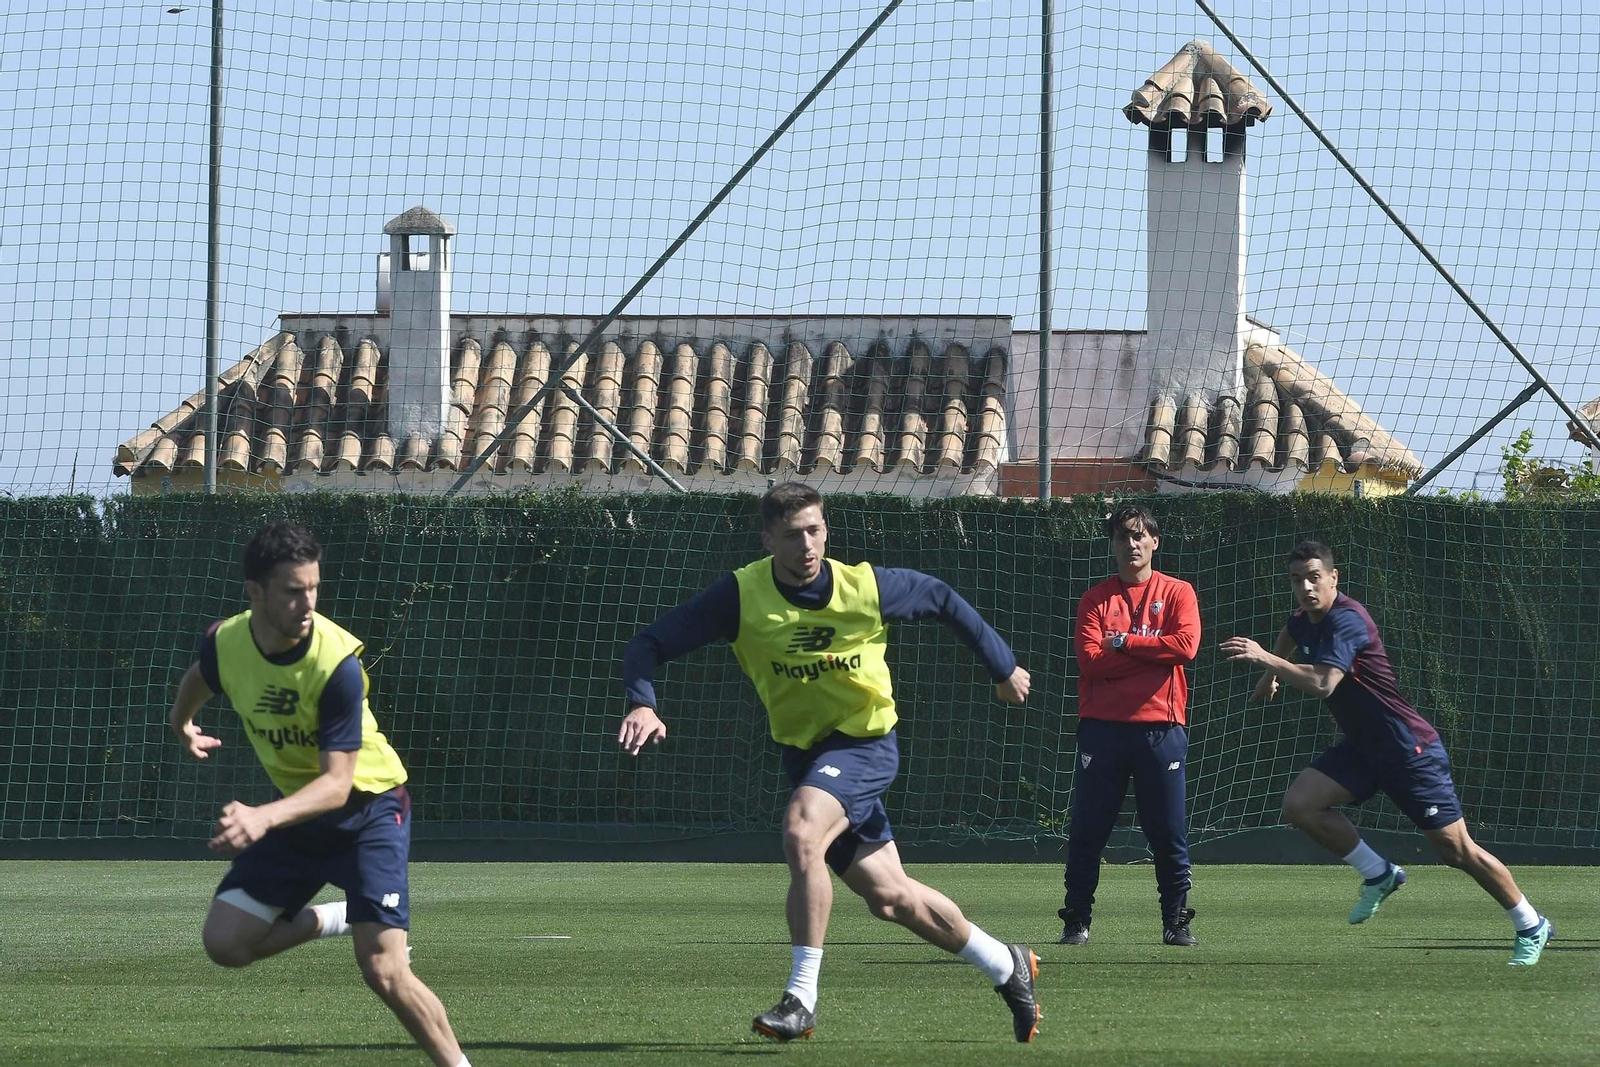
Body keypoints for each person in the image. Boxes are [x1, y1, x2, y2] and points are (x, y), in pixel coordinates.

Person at [618, 482, 1042, 1043]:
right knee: (892, 899)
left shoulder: (863, 586)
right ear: (768, 539)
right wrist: (642, 703)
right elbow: (649, 642)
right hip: (806, 757)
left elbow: (940, 596)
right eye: (792, 535)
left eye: (815, 530)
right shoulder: (741, 597)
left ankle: (802, 997)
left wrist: (1002, 666)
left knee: (800, 829)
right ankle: (1004, 963)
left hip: (865, 745)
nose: (807, 544)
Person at [168, 520, 471, 1065]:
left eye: (313, 588)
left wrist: (262, 818)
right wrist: (181, 722)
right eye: (292, 591)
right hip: (299, 814)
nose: (307, 603)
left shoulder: (336, 665)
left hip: (369, 809)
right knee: (226, 945)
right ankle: (335, 916)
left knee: (383, 971)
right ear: (255, 592)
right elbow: (202, 673)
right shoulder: (227, 641)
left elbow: (336, 785)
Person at [1220, 539, 1553, 966]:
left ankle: (1531, 923)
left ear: (1334, 577)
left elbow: (1323, 683)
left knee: (1456, 851)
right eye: (1296, 579)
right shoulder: (1306, 617)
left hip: (1408, 749)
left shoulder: (1348, 621)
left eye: (1314, 577)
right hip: (1363, 749)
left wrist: (1265, 658)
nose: (1305, 587)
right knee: (1301, 805)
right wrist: (1271, 674)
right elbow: (1292, 629)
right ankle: (1379, 873)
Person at [1058, 505, 1201, 947]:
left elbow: (1185, 647)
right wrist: (1149, 657)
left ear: (1155, 542)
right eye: (1123, 537)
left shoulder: (1178, 592)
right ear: (1113, 544)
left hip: (1161, 730)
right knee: (1088, 830)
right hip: (1103, 730)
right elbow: (1090, 662)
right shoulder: (1095, 599)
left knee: (1168, 832)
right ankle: (1076, 920)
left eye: (1140, 536)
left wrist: (1123, 642)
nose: (1132, 544)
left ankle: (1175, 922)